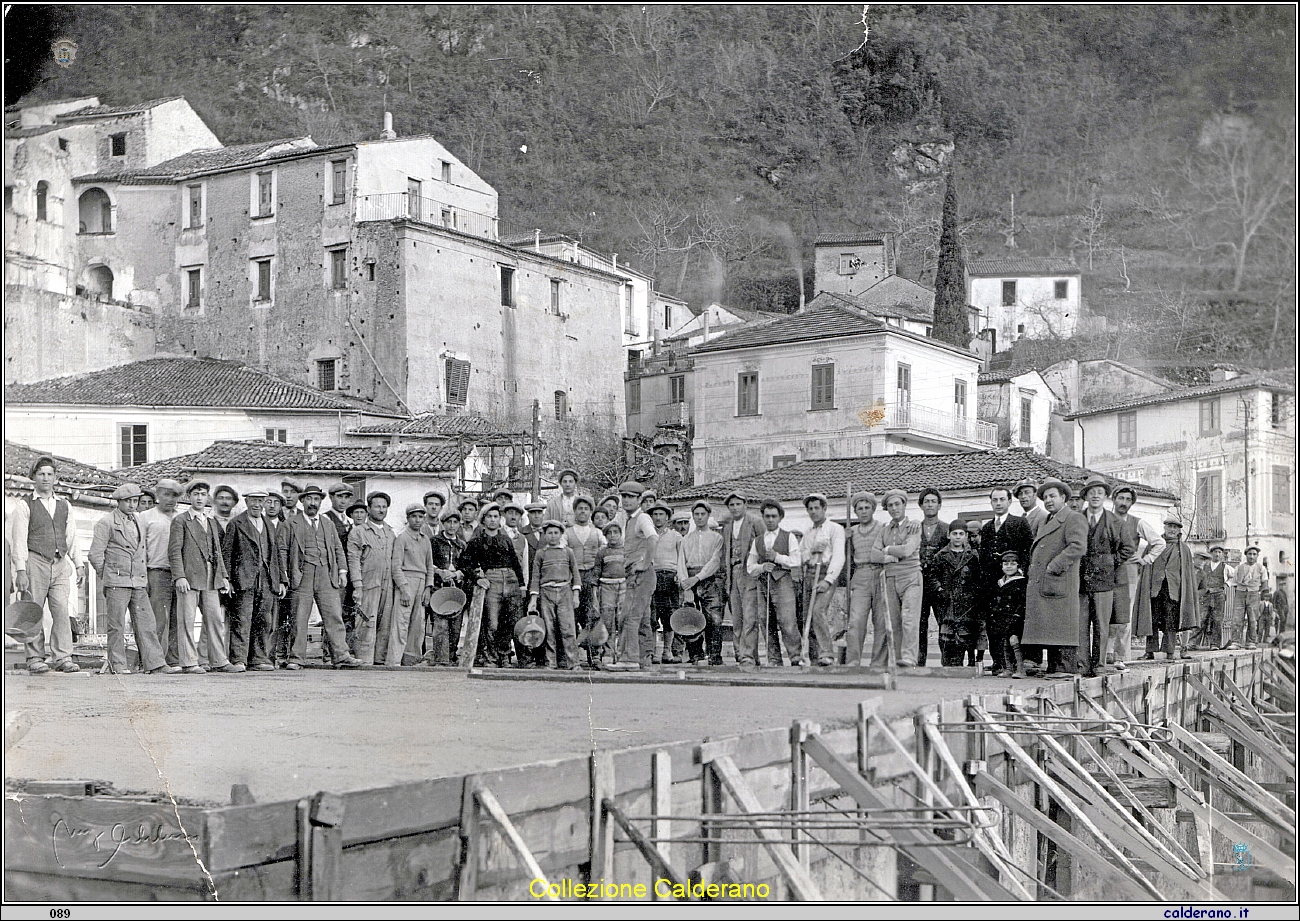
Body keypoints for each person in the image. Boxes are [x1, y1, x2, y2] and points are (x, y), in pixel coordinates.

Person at [88, 484, 177, 675]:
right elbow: (95, 554)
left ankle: (155, 664)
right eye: (127, 501)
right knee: (116, 625)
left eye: (134, 501)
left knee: (147, 623)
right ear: (118, 502)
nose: (131, 504)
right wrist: (109, 575)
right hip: (117, 582)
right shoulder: (107, 522)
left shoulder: (138, 521)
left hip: (137, 581)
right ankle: (117, 665)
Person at [10, 455, 83, 675]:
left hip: (60, 563)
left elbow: (71, 536)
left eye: (50, 474)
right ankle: (34, 657)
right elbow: (19, 540)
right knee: (33, 609)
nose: (46, 478)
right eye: (41, 474)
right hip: (35, 561)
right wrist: (21, 570)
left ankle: (63, 657)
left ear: (55, 478)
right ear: (34, 477)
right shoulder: (25, 505)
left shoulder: (64, 505)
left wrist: (79, 564)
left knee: (61, 610)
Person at [282, 485, 359, 669]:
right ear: (302, 501)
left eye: (316, 499)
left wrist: (342, 571)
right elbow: (282, 550)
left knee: (333, 615)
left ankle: (341, 656)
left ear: (320, 502)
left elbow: (338, 549)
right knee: (299, 617)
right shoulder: (290, 523)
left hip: (326, 573)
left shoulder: (327, 523)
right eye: (309, 499)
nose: (313, 503)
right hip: (302, 574)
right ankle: (296, 658)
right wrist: (284, 576)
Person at [1022, 479, 1087, 677]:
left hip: (1059, 581)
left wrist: (1054, 566)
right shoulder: (1047, 520)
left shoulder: (1073, 518)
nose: (1048, 501)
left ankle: (1063, 668)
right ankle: (1053, 667)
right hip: (1045, 583)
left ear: (1063, 498)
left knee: (1060, 626)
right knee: (1049, 625)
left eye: (1053, 496)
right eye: (1045, 497)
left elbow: (1078, 546)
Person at [169, 481, 235, 674]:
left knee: (214, 619)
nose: (199, 498)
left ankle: (219, 660)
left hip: (210, 577)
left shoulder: (211, 521)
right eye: (196, 494)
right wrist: (179, 576)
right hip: (189, 578)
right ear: (189, 497)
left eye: (203, 494)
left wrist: (223, 576)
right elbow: (174, 552)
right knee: (187, 620)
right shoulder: (181, 521)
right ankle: (189, 662)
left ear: (208, 498)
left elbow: (217, 551)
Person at [1076, 477, 1135, 677]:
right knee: (1081, 625)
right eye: (1091, 492)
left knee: (1101, 625)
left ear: (1105, 497)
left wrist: (1111, 561)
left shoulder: (1115, 522)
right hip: (1080, 581)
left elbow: (1128, 548)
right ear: (1085, 496)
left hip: (1105, 582)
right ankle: (1082, 666)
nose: (1095, 496)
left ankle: (1099, 665)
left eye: (1099, 493)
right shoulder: (1077, 519)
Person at [459, 503, 526, 668]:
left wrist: (522, 585)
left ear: (500, 519)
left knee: (510, 621)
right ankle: (491, 658)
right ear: (483, 519)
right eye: (489, 516)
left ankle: (504, 656)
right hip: (492, 580)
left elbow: (516, 564)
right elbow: (464, 564)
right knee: (492, 623)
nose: (492, 520)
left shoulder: (505, 539)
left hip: (511, 580)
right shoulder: (477, 542)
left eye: (496, 516)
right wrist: (477, 579)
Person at [221, 488, 280, 671]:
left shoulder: (269, 524)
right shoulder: (236, 524)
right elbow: (227, 554)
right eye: (253, 500)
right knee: (242, 619)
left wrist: (280, 581)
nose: (257, 504)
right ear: (246, 502)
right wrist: (227, 579)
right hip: (243, 579)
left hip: (266, 579)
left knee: (264, 620)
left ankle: (259, 659)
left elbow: (274, 555)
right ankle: (239, 659)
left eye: (260, 501)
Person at [977, 487, 1034, 674]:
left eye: (1002, 499)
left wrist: (1018, 573)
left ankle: (1016, 664)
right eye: (995, 500)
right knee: (993, 624)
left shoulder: (1019, 523)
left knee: (1012, 624)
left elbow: (1027, 551)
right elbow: (983, 557)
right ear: (991, 502)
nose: (998, 503)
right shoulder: (986, 528)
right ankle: (998, 663)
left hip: (1013, 582)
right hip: (993, 585)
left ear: (1010, 501)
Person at [1109, 485, 1165, 669]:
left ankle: (1120, 656)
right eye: (1121, 498)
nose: (1124, 503)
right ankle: (1104, 654)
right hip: (1106, 570)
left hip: (1128, 570)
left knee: (1123, 614)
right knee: (1104, 611)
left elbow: (1159, 542)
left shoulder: (1137, 522)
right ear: (1114, 499)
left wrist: (1145, 559)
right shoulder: (1104, 519)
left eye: (1128, 500)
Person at [869, 489, 923, 668]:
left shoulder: (914, 526)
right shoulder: (884, 530)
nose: (894, 508)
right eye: (890, 505)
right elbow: (873, 555)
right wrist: (889, 555)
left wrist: (886, 550)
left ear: (904, 505)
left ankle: (909, 658)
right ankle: (899, 660)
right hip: (890, 577)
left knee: (909, 618)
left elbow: (907, 550)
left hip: (910, 576)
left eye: (897, 504)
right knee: (894, 621)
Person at [606, 482, 657, 670]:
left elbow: (653, 538)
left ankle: (629, 658)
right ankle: (643, 658)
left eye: (631, 497)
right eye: (624, 496)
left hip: (641, 574)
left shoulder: (642, 518)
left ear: (639, 499)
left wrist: (644, 563)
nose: (627, 500)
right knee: (641, 618)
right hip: (635, 574)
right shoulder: (629, 520)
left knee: (630, 617)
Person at [746, 498, 803, 666]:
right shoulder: (758, 540)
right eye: (767, 516)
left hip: (783, 582)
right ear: (762, 517)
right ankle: (774, 659)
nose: (770, 520)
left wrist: (777, 557)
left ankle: (795, 657)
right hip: (764, 584)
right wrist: (762, 567)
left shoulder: (789, 536)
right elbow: (750, 566)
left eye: (774, 516)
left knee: (787, 621)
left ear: (780, 518)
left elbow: (796, 560)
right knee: (765, 621)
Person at [1135, 515, 1199, 660]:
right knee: (1153, 620)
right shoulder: (1154, 544)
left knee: (1170, 621)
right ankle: (1149, 651)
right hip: (1155, 588)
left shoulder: (1184, 549)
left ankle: (1170, 651)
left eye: (1175, 527)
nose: (1172, 530)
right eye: (1169, 526)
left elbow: (1187, 574)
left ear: (1179, 531)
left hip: (1173, 590)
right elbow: (1145, 566)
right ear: (1164, 527)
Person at [347, 491, 396, 665]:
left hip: (388, 585)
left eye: (384, 507)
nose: (381, 510)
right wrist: (357, 586)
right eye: (377, 506)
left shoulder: (390, 533)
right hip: (368, 584)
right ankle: (364, 660)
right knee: (366, 621)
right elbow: (353, 561)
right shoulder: (358, 532)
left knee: (385, 622)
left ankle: (379, 661)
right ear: (369, 509)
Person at [139, 477, 184, 667]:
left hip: (180, 574)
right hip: (156, 572)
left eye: (174, 496)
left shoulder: (182, 517)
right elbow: (140, 549)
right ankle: (152, 661)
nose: (170, 500)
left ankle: (173, 660)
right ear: (157, 495)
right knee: (157, 620)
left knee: (177, 619)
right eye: (166, 494)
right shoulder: (145, 517)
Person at [527, 520, 582, 669]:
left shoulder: (568, 552)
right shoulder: (541, 553)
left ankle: (573, 663)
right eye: (549, 533)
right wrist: (533, 599)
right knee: (549, 629)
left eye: (556, 533)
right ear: (545, 535)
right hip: (546, 593)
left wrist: (575, 594)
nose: (552, 536)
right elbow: (535, 577)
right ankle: (550, 662)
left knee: (568, 628)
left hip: (565, 592)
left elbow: (575, 574)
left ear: (561, 534)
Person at [800, 493, 845, 668]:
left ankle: (827, 653)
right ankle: (813, 657)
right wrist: (811, 550)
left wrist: (828, 579)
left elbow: (839, 556)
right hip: (810, 572)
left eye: (816, 508)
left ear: (824, 508)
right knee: (808, 616)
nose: (813, 512)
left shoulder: (835, 529)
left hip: (826, 572)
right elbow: (799, 556)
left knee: (818, 611)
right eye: (810, 509)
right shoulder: (808, 532)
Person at [677, 500, 724, 666]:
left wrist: (697, 578)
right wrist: (685, 583)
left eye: (702, 514)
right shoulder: (686, 539)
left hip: (709, 579)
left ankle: (714, 655)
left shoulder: (717, 538)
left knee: (714, 618)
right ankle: (696, 654)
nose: (699, 517)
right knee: (691, 618)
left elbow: (715, 561)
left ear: (708, 515)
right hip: (690, 579)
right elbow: (681, 562)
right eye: (696, 514)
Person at [390, 505, 437, 666]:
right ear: (408, 518)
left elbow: (430, 566)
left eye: (420, 517)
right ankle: (394, 660)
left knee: (418, 624)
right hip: (406, 581)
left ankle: (411, 659)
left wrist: (428, 588)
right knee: (401, 623)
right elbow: (396, 566)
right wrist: (403, 588)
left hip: (421, 582)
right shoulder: (402, 538)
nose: (417, 520)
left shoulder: (425, 540)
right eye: (414, 517)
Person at [720, 492, 763, 666]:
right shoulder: (728, 527)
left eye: (738, 504)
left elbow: (763, 545)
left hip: (750, 573)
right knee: (736, 616)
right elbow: (724, 553)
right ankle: (739, 653)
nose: (735, 507)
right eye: (732, 505)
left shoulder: (755, 522)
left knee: (750, 616)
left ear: (745, 504)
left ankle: (749, 655)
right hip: (733, 573)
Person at [844, 492, 886, 668]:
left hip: (880, 573)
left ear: (873, 509)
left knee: (881, 621)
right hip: (860, 575)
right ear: (855, 511)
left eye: (867, 508)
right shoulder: (851, 531)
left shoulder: (882, 528)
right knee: (855, 621)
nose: (863, 512)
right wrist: (845, 538)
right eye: (859, 509)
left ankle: (878, 663)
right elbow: (846, 556)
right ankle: (853, 663)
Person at [930, 520, 981, 667]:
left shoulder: (972, 555)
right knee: (946, 634)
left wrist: (973, 594)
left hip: (966, 602)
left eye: (961, 534)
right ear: (948, 535)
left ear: (965, 536)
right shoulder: (941, 555)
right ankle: (947, 664)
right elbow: (932, 576)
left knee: (964, 634)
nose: (958, 537)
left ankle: (960, 664)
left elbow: (977, 578)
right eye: (954, 534)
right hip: (947, 601)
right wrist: (940, 590)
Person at [427, 507, 466, 666]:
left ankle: (451, 657)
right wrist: (440, 572)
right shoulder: (434, 542)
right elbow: (428, 563)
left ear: (459, 524)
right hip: (439, 588)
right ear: (443, 523)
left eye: (455, 522)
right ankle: (440, 659)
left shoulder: (462, 545)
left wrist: (457, 574)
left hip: (456, 589)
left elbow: (467, 567)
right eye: (448, 522)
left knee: (455, 626)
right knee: (441, 625)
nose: (451, 525)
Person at [916, 488, 949, 667]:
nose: (930, 505)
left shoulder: (947, 529)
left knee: (944, 622)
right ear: (921, 505)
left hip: (939, 584)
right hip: (918, 583)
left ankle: (947, 662)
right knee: (919, 624)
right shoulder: (914, 528)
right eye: (926, 501)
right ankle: (919, 662)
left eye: (933, 501)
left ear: (939, 505)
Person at [323, 483, 358, 659]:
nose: (343, 501)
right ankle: (328, 653)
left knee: (348, 612)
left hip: (350, 574)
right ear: (331, 498)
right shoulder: (325, 519)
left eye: (346, 497)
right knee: (333, 613)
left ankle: (346, 651)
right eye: (339, 497)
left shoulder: (350, 522)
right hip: (334, 573)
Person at [565, 496, 605, 641]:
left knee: (591, 614)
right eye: (580, 508)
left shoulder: (597, 533)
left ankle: (594, 654)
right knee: (572, 615)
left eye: (586, 509)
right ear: (575, 511)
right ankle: (571, 652)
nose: (583, 512)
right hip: (572, 577)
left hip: (591, 576)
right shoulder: (567, 532)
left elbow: (605, 551)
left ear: (590, 512)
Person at [649, 502, 683, 664]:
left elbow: (682, 558)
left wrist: (679, 575)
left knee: (670, 615)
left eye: (661, 514)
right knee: (652, 615)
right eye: (655, 514)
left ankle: (667, 651)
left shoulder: (675, 536)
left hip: (670, 577)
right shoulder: (647, 535)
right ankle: (654, 652)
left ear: (667, 517)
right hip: (652, 576)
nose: (658, 517)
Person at [988, 551, 1029, 678]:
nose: (1009, 566)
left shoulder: (1021, 582)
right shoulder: (999, 582)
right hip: (1001, 618)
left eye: (1012, 564)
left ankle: (1020, 669)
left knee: (1014, 641)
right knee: (1003, 642)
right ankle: (1008, 668)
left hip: (1015, 618)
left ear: (1018, 566)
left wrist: (1017, 614)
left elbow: (1023, 602)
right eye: (1005, 564)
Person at [593, 522, 626, 667]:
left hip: (623, 586)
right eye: (609, 533)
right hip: (606, 586)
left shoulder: (626, 550)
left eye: (616, 532)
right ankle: (608, 652)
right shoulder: (602, 552)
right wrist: (595, 591)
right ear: (605, 536)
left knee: (623, 619)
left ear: (620, 534)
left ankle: (622, 653)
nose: (613, 536)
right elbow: (596, 573)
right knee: (608, 619)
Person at [1229, 545, 1267, 649]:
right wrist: (1241, 591)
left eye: (1254, 554)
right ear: (1246, 555)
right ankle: (1235, 642)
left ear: (1257, 556)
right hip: (1240, 594)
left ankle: (1251, 642)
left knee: (1253, 619)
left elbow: (1264, 583)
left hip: (1254, 594)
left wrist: (1257, 592)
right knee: (1237, 618)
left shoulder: (1262, 568)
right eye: (1249, 554)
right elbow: (1235, 582)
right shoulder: (1239, 568)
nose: (1251, 556)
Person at [1196, 547, 1229, 650]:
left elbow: (1234, 577)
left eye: (1219, 552)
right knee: (1201, 618)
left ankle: (1215, 644)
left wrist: (1227, 583)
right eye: (1215, 552)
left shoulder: (1226, 567)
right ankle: (1193, 643)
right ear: (1211, 554)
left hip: (1219, 595)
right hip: (1206, 594)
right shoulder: (1205, 566)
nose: (1217, 554)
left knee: (1217, 619)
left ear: (1222, 555)